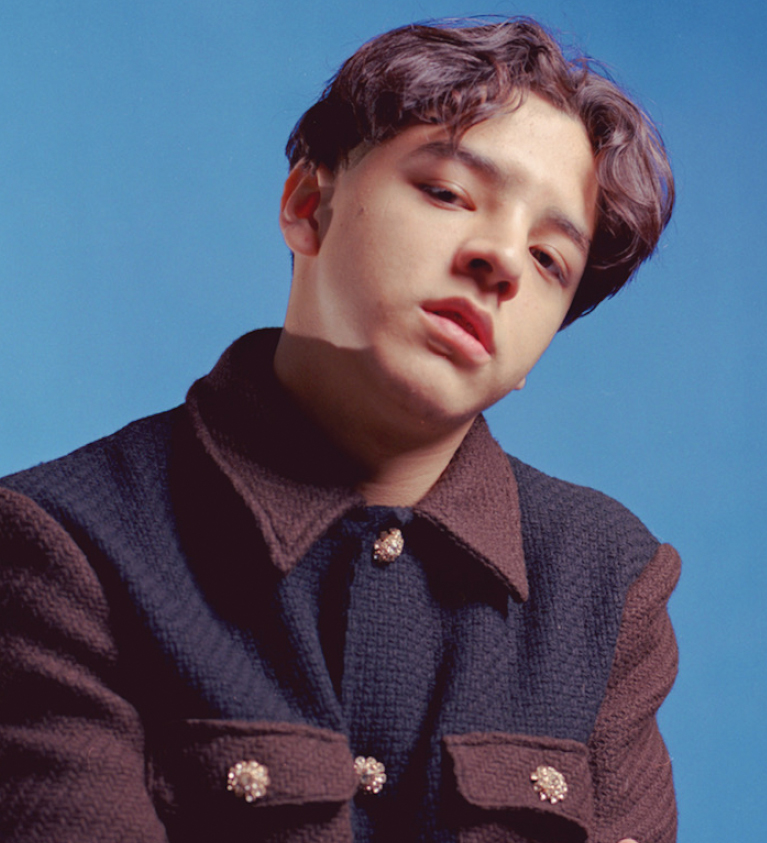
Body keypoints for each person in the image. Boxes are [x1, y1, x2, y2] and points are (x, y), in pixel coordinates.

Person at [0, 17, 678, 843]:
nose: (501, 259)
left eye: (548, 261)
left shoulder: (609, 582)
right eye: (446, 193)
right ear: (306, 205)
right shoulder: (61, 545)